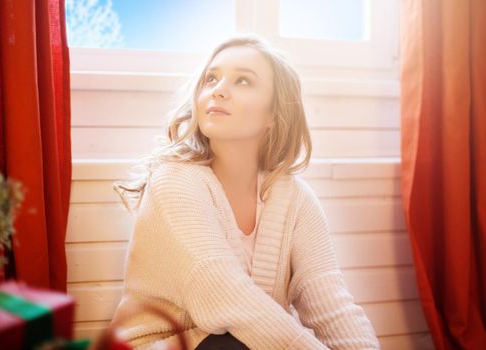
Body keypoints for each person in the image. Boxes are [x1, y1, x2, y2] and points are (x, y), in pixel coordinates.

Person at [111, 34, 380, 350]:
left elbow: (334, 308)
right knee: (227, 344)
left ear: (273, 115)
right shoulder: (175, 182)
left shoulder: (296, 199)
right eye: (211, 78)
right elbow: (227, 298)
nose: (218, 90)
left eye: (243, 81)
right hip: (165, 345)